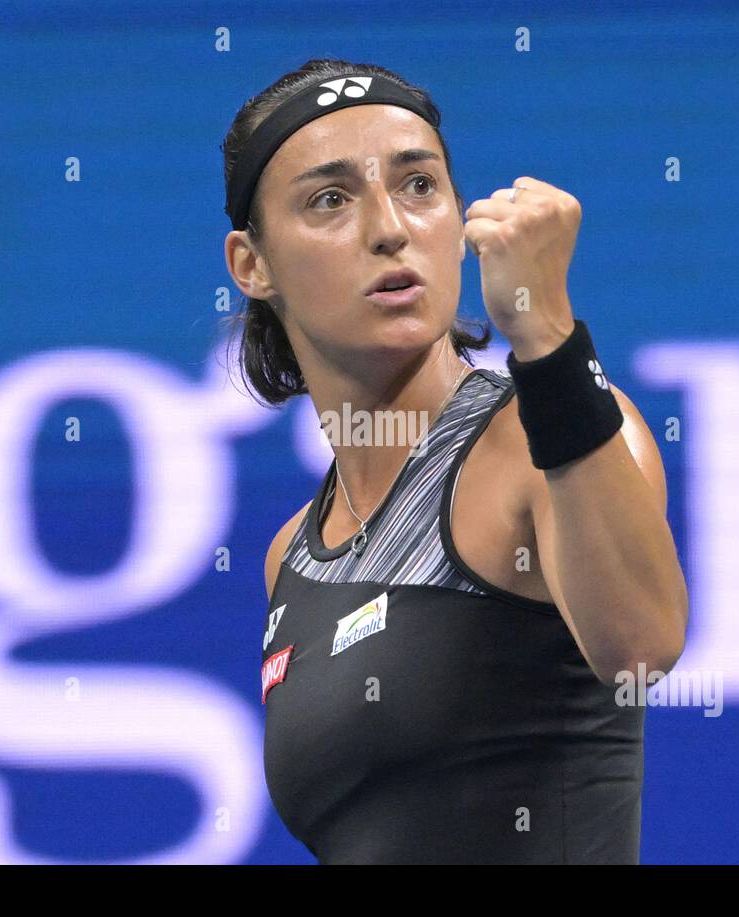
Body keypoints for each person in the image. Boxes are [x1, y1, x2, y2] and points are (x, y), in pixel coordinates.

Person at [221, 58, 689, 863]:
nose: (389, 227)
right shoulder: (292, 554)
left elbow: (641, 648)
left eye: (419, 185)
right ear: (251, 265)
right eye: (331, 199)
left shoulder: (546, 436)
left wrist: (546, 339)